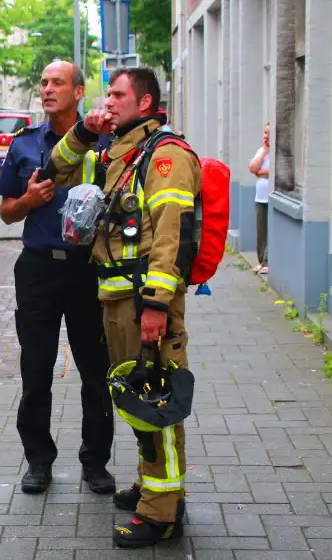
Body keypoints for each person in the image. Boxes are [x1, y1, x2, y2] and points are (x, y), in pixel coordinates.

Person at [46, 67, 200, 548]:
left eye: (118, 95)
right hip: (115, 300)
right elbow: (57, 166)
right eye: (106, 94)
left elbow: (171, 238)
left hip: (143, 304)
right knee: (135, 399)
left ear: (147, 103)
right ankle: (152, 485)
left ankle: (162, 513)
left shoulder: (165, 157)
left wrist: (156, 305)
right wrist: (83, 129)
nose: (107, 101)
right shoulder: (116, 152)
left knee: (156, 401)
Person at [0, 60, 116, 496]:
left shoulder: (107, 143)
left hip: (89, 270)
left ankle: (95, 462)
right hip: (38, 269)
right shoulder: (26, 144)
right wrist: (27, 200)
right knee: (36, 369)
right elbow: (6, 213)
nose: (47, 89)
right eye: (43, 82)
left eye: (57, 83)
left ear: (79, 92)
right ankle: (38, 462)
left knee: (95, 371)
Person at [247, 123, 271, 274]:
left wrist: (260, 172)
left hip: (270, 198)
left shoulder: (278, 153)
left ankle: (268, 261)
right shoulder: (261, 151)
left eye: (269, 133)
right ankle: (261, 261)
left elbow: (274, 172)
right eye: (264, 132)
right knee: (260, 231)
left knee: (269, 231)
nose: (265, 136)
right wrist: (264, 153)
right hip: (260, 197)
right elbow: (252, 168)